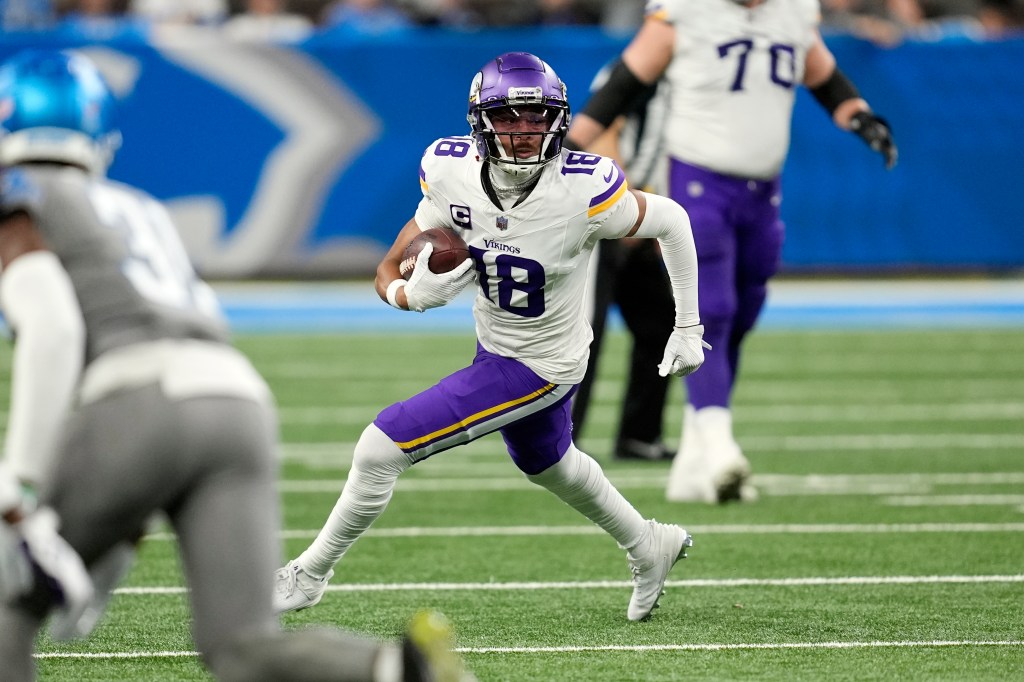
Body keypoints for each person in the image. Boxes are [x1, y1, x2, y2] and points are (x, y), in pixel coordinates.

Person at [0, 49, 473, 682]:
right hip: (234, 401)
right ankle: (401, 670)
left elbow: (54, 329)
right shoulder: (139, 208)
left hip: (138, 399)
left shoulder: (23, 196)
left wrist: (24, 492)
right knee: (243, 643)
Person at [273, 51, 708, 623]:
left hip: (543, 363)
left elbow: (672, 220)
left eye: (537, 117)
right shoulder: (450, 170)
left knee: (380, 449)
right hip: (496, 343)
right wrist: (403, 293)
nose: (524, 132)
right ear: (480, 121)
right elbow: (404, 249)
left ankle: (309, 573)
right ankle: (647, 543)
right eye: (508, 117)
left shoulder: (583, 190)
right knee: (547, 462)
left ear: (559, 119)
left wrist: (687, 324)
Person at [564, 0, 898, 504]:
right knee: (695, 313)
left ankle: (688, 450)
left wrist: (861, 117)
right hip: (677, 190)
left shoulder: (792, 14)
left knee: (728, 314)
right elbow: (613, 96)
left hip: (755, 190)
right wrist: (576, 167)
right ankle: (702, 446)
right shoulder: (681, 17)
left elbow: (824, 76)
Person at [571, 67, 677, 462]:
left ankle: (638, 435)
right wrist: (621, 204)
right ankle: (560, 440)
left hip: (641, 218)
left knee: (662, 322)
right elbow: (602, 130)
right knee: (583, 330)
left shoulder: (697, 72)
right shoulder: (635, 69)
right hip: (604, 216)